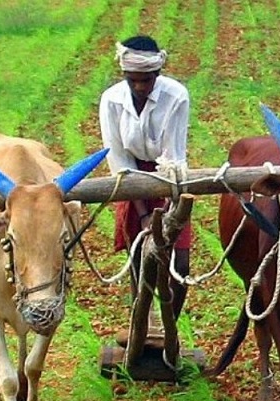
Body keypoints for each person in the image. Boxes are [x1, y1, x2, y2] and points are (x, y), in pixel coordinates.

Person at [98, 35, 191, 320]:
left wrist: (168, 214)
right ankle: (142, 322)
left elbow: (172, 157)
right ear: (125, 75)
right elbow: (119, 160)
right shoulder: (112, 100)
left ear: (157, 74)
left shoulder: (176, 96)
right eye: (133, 80)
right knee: (140, 257)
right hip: (131, 180)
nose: (139, 87)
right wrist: (142, 215)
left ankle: (169, 327)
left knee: (180, 263)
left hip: (169, 178)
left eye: (146, 80)